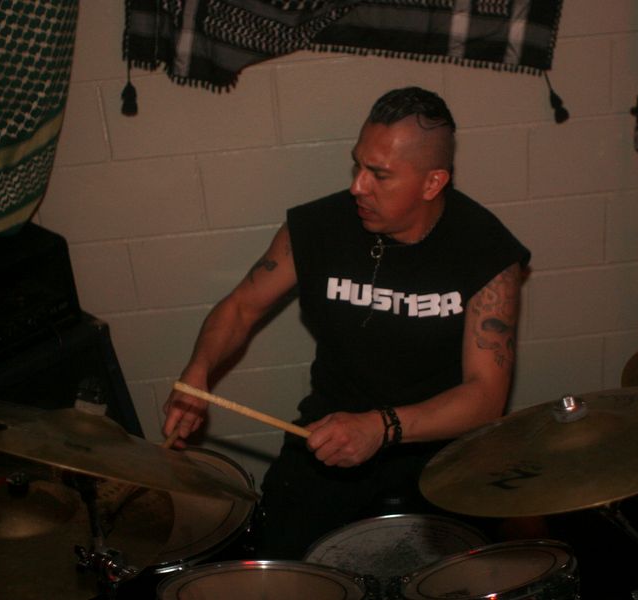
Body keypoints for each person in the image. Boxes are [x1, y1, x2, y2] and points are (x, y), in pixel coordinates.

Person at [163, 86, 531, 559]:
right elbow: (240, 308)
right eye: (358, 165)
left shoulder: (486, 251)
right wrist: (197, 373)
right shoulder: (318, 228)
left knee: (465, 570)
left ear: (432, 182)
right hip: (328, 431)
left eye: (379, 174)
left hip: (440, 445)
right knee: (277, 563)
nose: (358, 186)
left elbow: (486, 396)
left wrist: (381, 427)